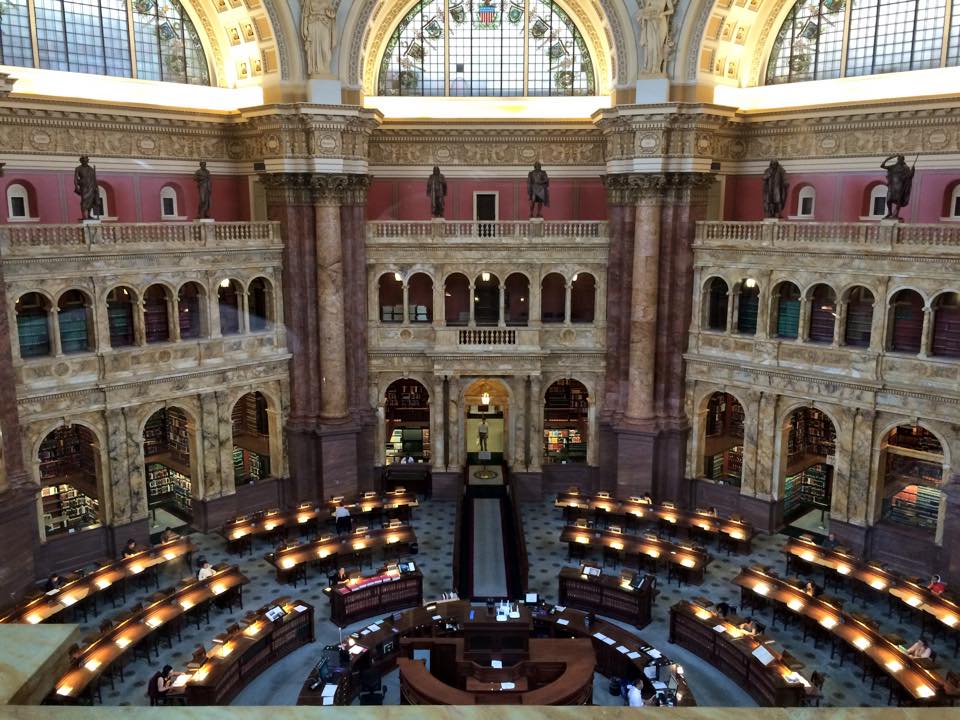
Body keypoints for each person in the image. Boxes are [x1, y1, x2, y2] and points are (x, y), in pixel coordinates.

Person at [636, 0, 675, 74]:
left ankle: (656, 67)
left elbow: (671, 10)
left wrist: (663, 13)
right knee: (651, 46)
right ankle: (649, 67)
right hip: (651, 22)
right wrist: (645, 16)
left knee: (658, 46)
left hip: (661, 22)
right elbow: (646, 10)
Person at [301, 0, 338, 75]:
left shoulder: (328, 1)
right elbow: (305, 15)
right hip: (313, 24)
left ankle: (325, 69)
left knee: (325, 49)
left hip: (325, 25)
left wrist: (331, 14)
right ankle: (315, 69)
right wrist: (305, 29)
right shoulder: (308, 1)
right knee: (314, 49)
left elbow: (332, 14)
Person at [881, 154, 915, 219]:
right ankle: (890, 213)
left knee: (898, 201)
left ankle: (896, 214)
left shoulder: (905, 168)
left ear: (903, 160)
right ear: (897, 159)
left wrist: (912, 170)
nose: (899, 160)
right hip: (892, 185)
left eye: (901, 159)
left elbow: (909, 176)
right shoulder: (893, 167)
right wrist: (889, 158)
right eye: (898, 159)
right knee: (888, 200)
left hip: (900, 185)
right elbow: (882, 166)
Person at [74, 156, 99, 220]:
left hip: (92, 186)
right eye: (84, 160)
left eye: (86, 160)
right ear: (81, 161)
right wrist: (77, 187)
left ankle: (89, 215)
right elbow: (75, 179)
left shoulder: (91, 169)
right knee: (84, 201)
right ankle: (84, 216)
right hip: (84, 187)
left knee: (91, 202)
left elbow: (94, 179)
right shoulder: (78, 168)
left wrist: (96, 187)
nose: (86, 161)